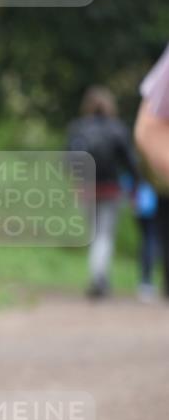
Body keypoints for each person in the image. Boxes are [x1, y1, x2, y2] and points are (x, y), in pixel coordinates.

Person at [66, 86, 138, 299]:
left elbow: (67, 159)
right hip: (110, 188)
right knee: (104, 235)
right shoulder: (117, 129)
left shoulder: (78, 128)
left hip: (86, 187)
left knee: (94, 234)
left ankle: (97, 276)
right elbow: (130, 162)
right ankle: (99, 276)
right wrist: (136, 185)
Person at [135, 44, 169, 297]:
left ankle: (149, 281)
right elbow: (151, 128)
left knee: (153, 237)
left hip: (149, 190)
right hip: (154, 191)